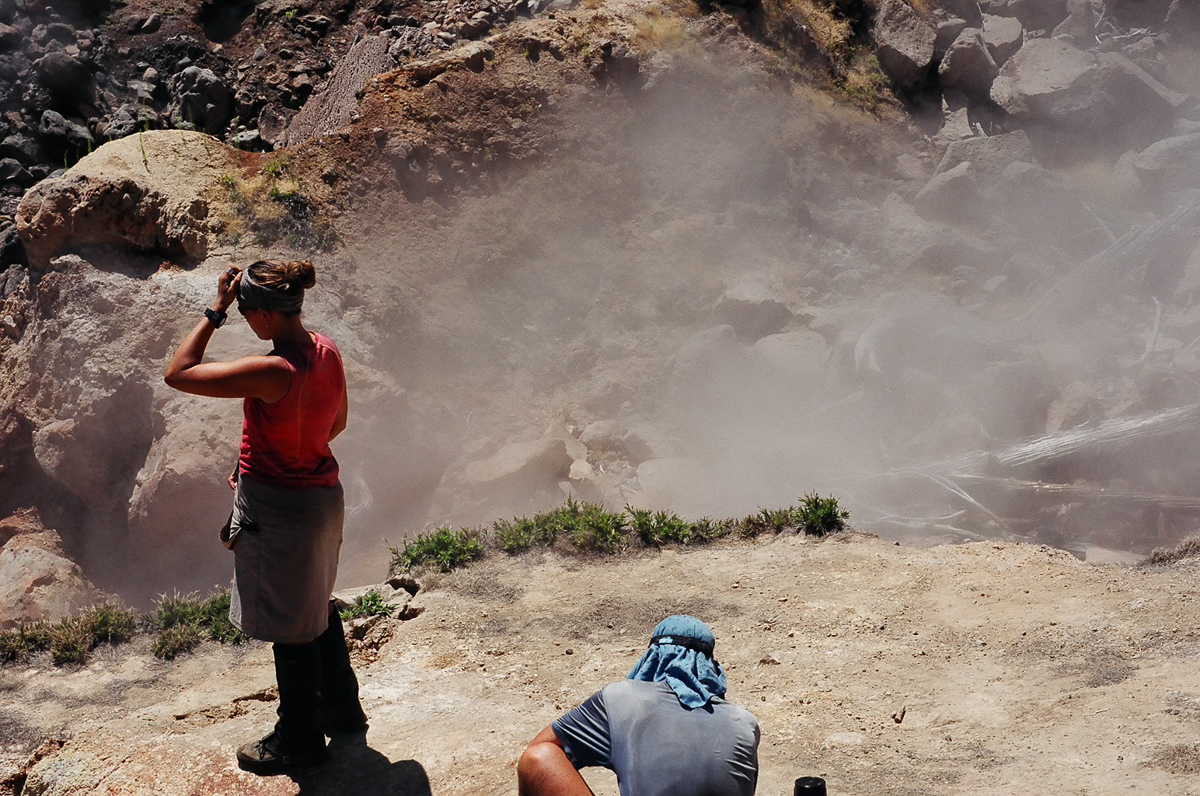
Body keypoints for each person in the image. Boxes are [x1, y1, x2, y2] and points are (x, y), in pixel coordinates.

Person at [164, 259, 366, 775]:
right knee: (314, 606)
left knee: (288, 625)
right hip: (322, 499)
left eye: (248, 313)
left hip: (277, 511)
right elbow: (335, 424)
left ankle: (297, 739)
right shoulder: (326, 352)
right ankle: (344, 712)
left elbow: (178, 373)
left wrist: (216, 310)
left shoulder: (273, 370)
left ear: (264, 315)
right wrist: (279, 451)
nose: (248, 322)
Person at [518, 615, 760, 796]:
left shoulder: (621, 698)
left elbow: (543, 749)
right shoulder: (744, 722)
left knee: (538, 758)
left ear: (652, 655)